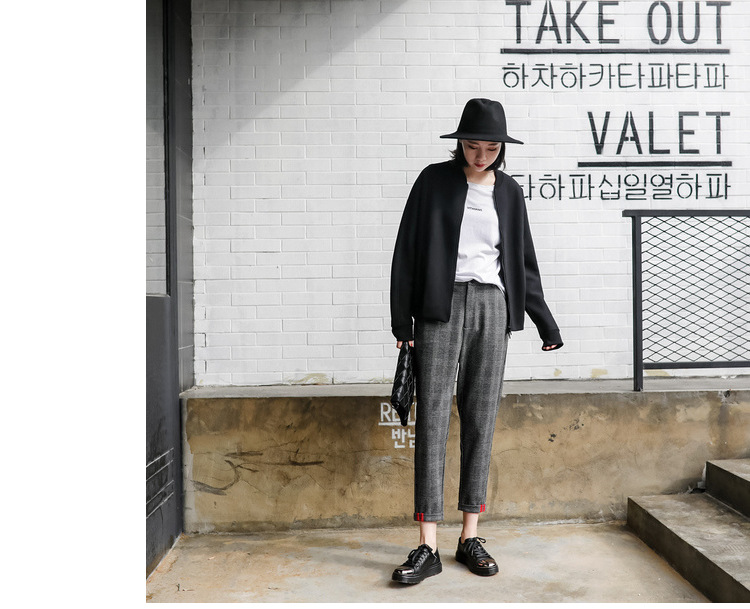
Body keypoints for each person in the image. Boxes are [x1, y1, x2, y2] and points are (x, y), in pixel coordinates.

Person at [389, 98, 563, 585]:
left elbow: (522, 262)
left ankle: (470, 536)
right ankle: (428, 545)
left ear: (502, 148)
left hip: (491, 306)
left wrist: (545, 323)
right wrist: (402, 324)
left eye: (490, 148)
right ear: (459, 144)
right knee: (432, 420)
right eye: (472, 146)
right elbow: (406, 251)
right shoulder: (433, 181)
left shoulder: (509, 192)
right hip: (438, 308)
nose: (481, 155)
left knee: (481, 419)